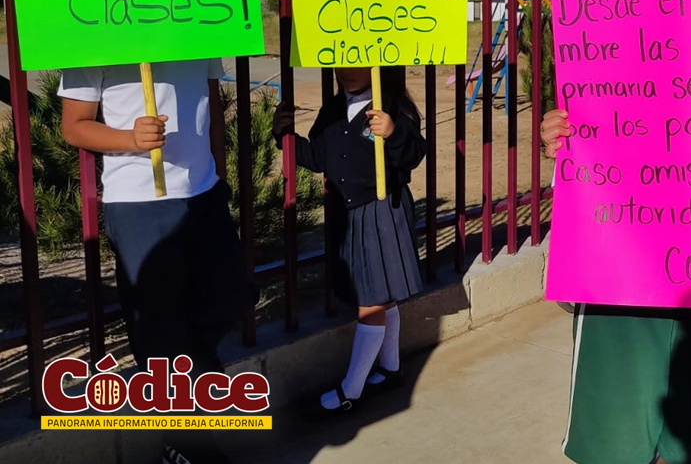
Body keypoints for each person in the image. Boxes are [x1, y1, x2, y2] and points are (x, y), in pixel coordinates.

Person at [540, 0, 691, 464]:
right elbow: (581, 197)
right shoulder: (598, 83)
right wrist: (563, 147)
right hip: (615, 290)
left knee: (687, 434)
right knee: (612, 436)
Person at [59, 59, 250, 464]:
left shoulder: (195, 22)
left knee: (228, 300)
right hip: (138, 203)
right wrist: (131, 138)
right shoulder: (91, 36)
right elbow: (74, 125)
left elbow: (212, 107)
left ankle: (189, 394)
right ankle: (184, 445)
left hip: (204, 192)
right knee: (161, 332)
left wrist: (218, 175)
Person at [273, 66, 425, 415]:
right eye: (342, 60)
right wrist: (285, 135)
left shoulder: (394, 106)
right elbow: (317, 158)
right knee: (379, 295)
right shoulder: (332, 109)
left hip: (382, 210)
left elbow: (414, 154)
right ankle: (390, 368)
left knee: (370, 300)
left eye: (357, 61)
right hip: (349, 214)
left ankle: (350, 391)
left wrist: (394, 131)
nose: (347, 69)